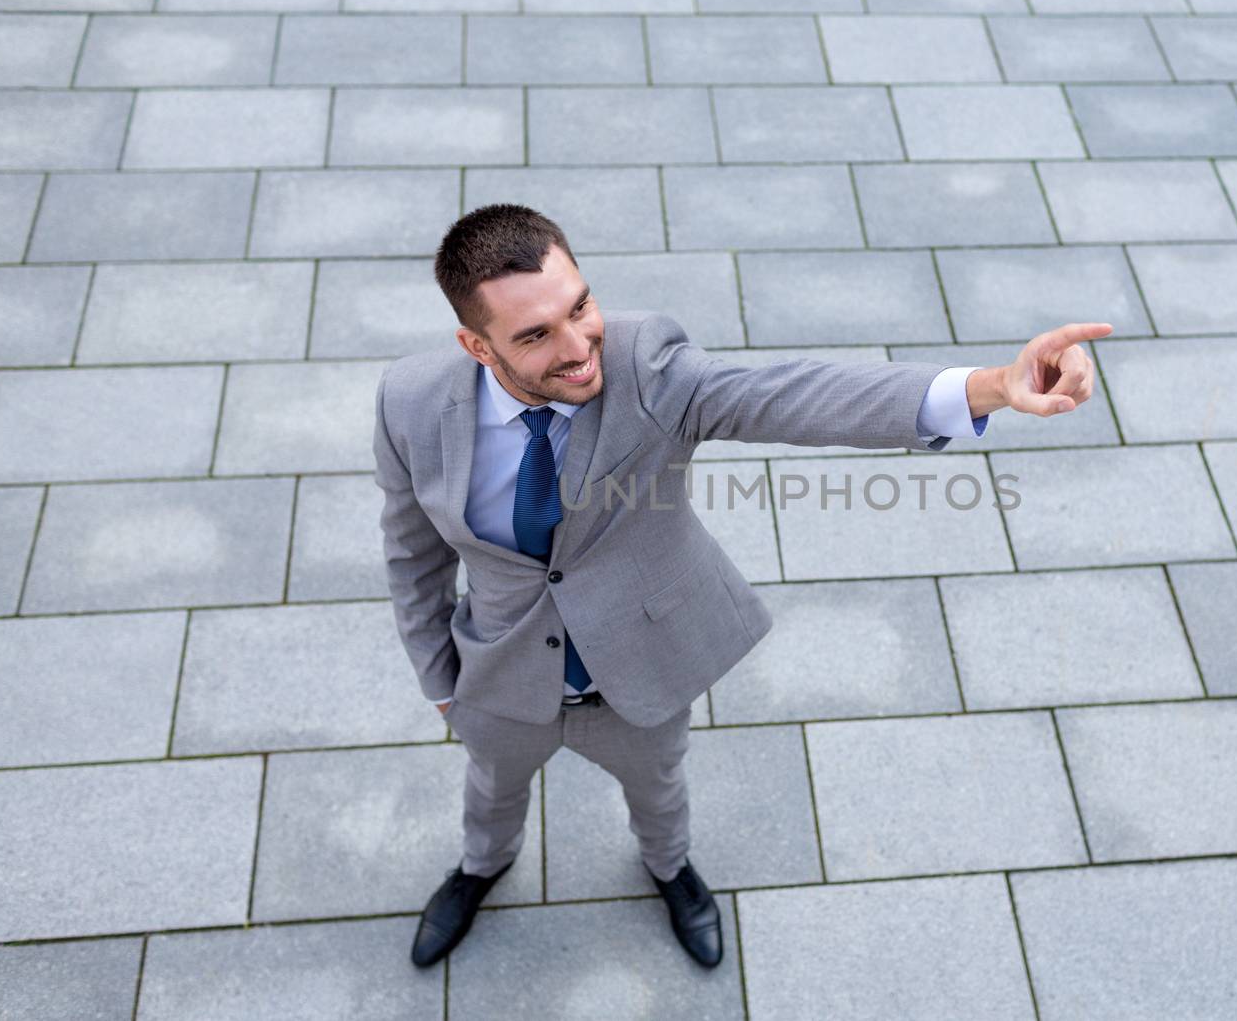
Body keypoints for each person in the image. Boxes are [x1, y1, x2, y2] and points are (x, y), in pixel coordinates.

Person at [372, 203, 1109, 970]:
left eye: (580, 306)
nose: (579, 346)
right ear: (475, 344)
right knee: (489, 792)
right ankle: (481, 868)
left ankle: (670, 870)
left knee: (659, 791)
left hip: (640, 668)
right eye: (535, 335)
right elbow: (411, 553)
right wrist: (441, 679)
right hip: (498, 674)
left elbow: (796, 393)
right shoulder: (411, 403)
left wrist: (991, 386)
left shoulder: (649, 367)